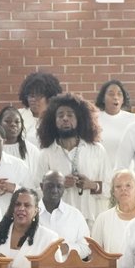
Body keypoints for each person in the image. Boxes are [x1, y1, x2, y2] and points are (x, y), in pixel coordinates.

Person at [33, 93, 110, 221]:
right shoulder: (46, 154)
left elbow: (110, 188)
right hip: (57, 221)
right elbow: (37, 191)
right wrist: (58, 185)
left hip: (91, 221)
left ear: (80, 119)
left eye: (70, 115)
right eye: (60, 115)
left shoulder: (96, 150)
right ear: (53, 121)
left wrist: (93, 185)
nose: (65, 119)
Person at [90, 168, 135, 257]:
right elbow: (94, 255)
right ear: (113, 192)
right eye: (118, 186)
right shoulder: (103, 219)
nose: (123, 189)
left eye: (128, 185)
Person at [37, 171, 90, 258]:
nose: (54, 190)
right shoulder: (29, 215)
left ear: (64, 188)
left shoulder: (75, 215)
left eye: (59, 186)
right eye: (50, 186)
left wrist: (67, 248)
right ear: (41, 186)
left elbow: (86, 247)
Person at [94, 79, 135, 172]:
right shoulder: (95, 119)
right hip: (100, 173)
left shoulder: (133, 119)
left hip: (126, 175)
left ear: (123, 99)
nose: (115, 97)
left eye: (119, 94)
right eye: (111, 94)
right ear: (103, 98)